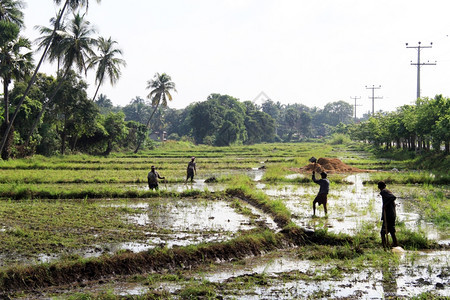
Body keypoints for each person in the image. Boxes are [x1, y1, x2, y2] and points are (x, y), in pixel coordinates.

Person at [378, 181, 398, 248]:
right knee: (392, 231)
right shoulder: (387, 191)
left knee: (382, 232)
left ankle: (384, 246)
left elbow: (393, 197)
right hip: (392, 214)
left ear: (379, 187)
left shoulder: (384, 191)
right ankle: (395, 244)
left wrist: (385, 205)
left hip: (388, 215)